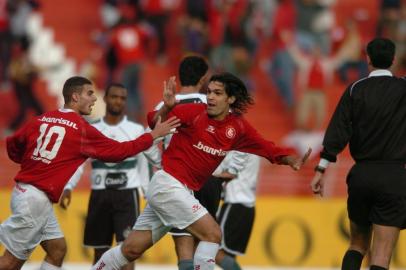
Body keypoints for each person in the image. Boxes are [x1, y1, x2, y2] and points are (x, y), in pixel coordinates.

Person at [91, 72, 311, 270]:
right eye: (209, 92)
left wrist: (290, 159)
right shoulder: (194, 112)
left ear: (231, 99)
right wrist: (167, 107)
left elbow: (266, 147)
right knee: (213, 234)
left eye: (217, 93)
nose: (211, 97)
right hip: (168, 184)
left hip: (180, 191)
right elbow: (154, 122)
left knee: (131, 249)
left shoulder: (239, 128)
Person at [0, 76, 180, 270]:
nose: (95, 99)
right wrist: (153, 135)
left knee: (57, 249)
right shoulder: (81, 129)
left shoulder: (41, 119)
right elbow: (119, 152)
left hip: (26, 192)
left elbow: (13, 145)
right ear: (75, 97)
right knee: (10, 263)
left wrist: (32, 164)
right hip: (34, 201)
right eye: (90, 93)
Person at [310, 38, 406, 270]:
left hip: (361, 174)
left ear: (368, 59)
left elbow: (337, 132)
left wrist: (321, 168)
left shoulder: (355, 89)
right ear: (393, 60)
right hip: (393, 175)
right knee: (382, 255)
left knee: (357, 245)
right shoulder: (403, 88)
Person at [58, 83, 161, 270]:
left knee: (127, 253)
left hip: (127, 197)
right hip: (99, 195)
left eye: (122, 98)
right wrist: (68, 186)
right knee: (99, 252)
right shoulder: (91, 128)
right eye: (114, 97)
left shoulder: (135, 129)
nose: (118, 101)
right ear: (105, 99)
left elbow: (143, 166)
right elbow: (79, 162)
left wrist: (149, 194)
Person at [214, 151, 261, 270]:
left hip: (234, 204)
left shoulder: (237, 148)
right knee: (229, 254)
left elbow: (217, 168)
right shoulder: (253, 146)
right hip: (248, 206)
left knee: (211, 249)